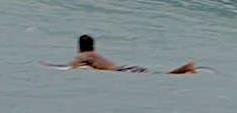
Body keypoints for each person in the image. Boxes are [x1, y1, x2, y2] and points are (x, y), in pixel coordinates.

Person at [43, 34, 198, 74]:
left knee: (162, 75)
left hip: (122, 71)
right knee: (160, 74)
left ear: (79, 46)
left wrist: (47, 66)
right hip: (125, 67)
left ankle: (186, 67)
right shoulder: (94, 54)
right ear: (93, 45)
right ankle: (185, 69)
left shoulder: (83, 56)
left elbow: (70, 68)